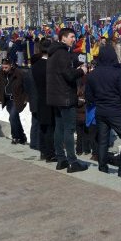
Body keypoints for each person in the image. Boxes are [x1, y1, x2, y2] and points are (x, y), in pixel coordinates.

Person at [85, 44, 121, 180]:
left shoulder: (92, 74)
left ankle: (102, 167)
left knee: (102, 140)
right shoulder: (117, 73)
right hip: (115, 110)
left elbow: (88, 97)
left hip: (100, 110)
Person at [46, 28, 89, 173]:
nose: (73, 39)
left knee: (59, 128)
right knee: (69, 129)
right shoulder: (63, 53)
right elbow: (69, 76)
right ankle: (72, 161)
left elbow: (62, 72)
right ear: (63, 38)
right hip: (65, 97)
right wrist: (81, 71)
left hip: (55, 97)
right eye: (71, 37)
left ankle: (61, 159)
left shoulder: (53, 53)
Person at [31, 38, 56, 163]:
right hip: (51, 99)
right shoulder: (51, 65)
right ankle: (50, 153)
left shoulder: (35, 66)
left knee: (42, 127)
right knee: (51, 128)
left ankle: (43, 151)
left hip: (40, 99)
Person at [0, 58, 27, 144]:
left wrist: (26, 98)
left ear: (11, 65)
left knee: (12, 116)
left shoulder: (18, 73)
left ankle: (15, 137)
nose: (4, 69)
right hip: (7, 100)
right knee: (14, 118)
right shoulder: (1, 73)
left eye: (6, 67)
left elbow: (26, 85)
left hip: (17, 99)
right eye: (3, 67)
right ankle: (22, 136)